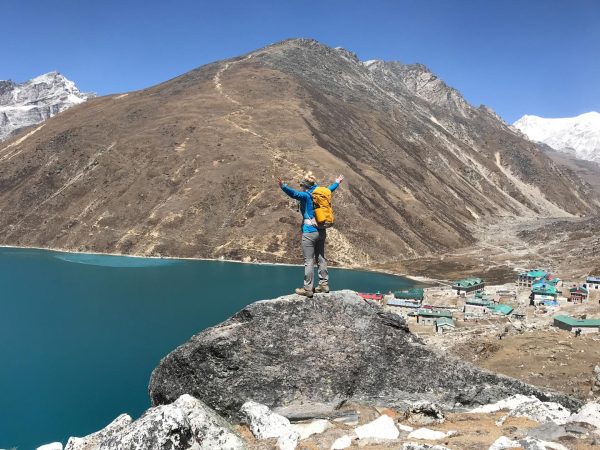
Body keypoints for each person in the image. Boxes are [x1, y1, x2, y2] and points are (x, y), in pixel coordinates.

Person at [277, 171, 344, 297]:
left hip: (309, 232)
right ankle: (324, 285)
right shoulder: (321, 193)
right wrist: (337, 182)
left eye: (302, 185)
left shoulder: (306, 195)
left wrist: (283, 186)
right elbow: (331, 189)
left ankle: (308, 289)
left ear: (305, 186)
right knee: (321, 258)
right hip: (321, 231)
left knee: (309, 261)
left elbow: (294, 194)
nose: (301, 187)